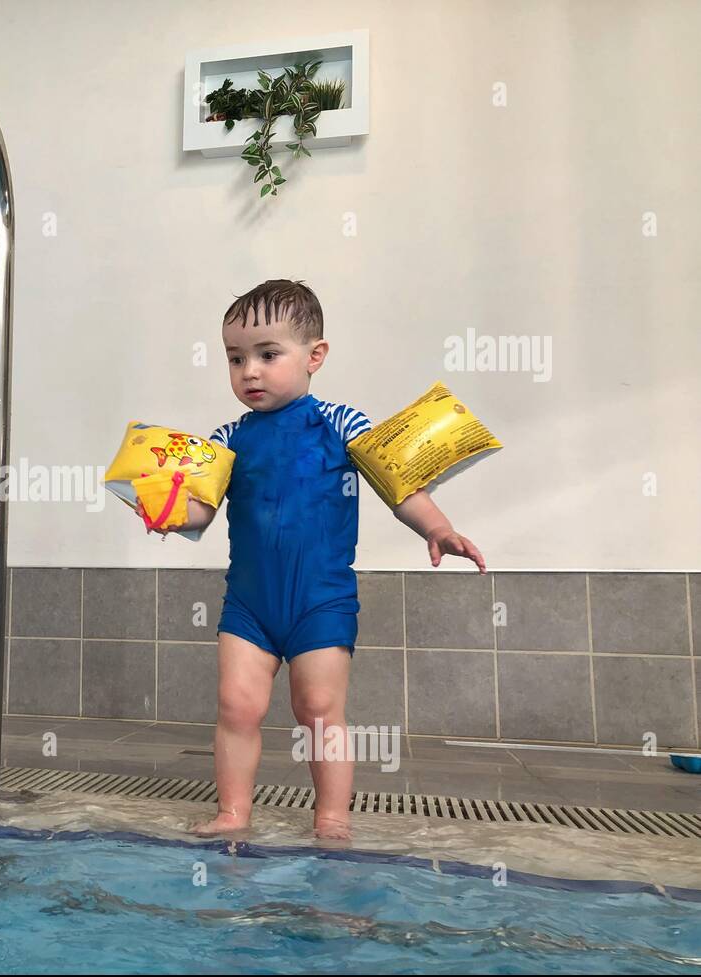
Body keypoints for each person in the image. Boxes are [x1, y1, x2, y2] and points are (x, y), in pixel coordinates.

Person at [141, 280, 486, 839]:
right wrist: (169, 514)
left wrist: (439, 527)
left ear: (314, 356)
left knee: (319, 709)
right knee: (236, 706)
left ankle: (331, 817)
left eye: (267, 355)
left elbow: (398, 485)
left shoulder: (342, 423)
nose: (248, 371)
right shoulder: (225, 439)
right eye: (235, 358)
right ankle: (233, 812)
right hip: (249, 603)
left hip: (321, 600)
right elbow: (201, 515)